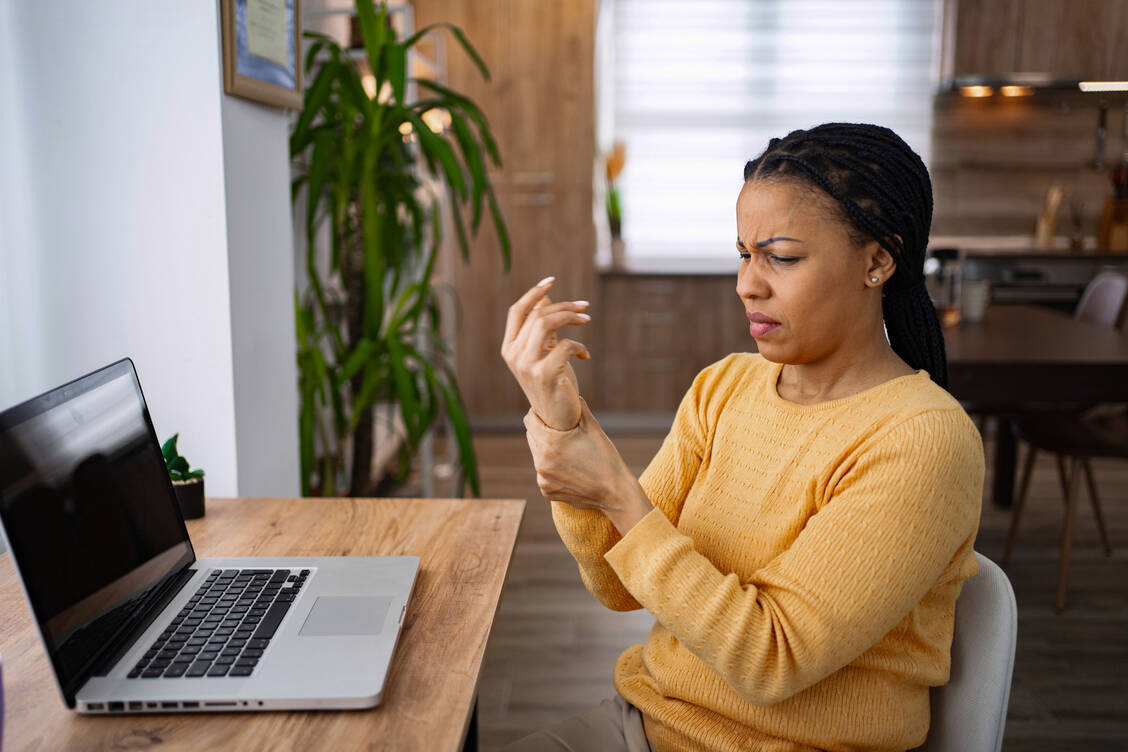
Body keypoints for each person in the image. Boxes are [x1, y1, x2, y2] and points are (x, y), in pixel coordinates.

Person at [499, 123, 984, 752]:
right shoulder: (724, 387)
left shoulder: (923, 440)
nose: (747, 283)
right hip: (645, 725)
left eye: (781, 257)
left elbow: (771, 659)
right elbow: (617, 585)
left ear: (878, 261)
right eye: (744, 253)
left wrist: (618, 492)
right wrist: (562, 425)